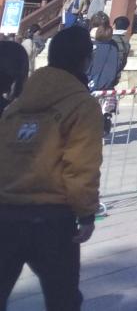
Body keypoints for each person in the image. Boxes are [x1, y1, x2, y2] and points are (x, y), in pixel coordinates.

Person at [0, 24, 101, 311]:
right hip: (52, 216)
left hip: (6, 211)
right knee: (62, 297)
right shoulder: (82, 105)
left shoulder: (18, 105)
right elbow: (81, 164)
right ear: (85, 59)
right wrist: (86, 213)